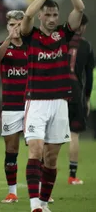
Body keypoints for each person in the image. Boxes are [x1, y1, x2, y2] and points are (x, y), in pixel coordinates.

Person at [19, 0, 85, 212]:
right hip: (36, 101)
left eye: (54, 15)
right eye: (47, 15)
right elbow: (26, 15)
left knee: (52, 158)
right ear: (41, 17)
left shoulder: (63, 35)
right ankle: (35, 204)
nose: (51, 19)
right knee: (35, 150)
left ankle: (44, 203)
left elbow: (80, 8)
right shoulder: (31, 35)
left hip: (59, 102)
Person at [0, 10, 27, 203]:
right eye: (12, 24)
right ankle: (12, 192)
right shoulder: (1, 45)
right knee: (11, 149)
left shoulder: (32, 45)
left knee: (39, 148)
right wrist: (8, 40)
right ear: (7, 26)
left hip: (32, 104)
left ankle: (41, 191)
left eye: (19, 24)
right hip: (11, 106)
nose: (16, 28)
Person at [67, 14, 94, 185]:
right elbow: (89, 76)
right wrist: (87, 98)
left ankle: (40, 173)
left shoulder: (60, 41)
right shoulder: (86, 46)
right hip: (76, 93)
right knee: (74, 134)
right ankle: (72, 175)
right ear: (82, 26)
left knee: (47, 136)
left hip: (55, 91)